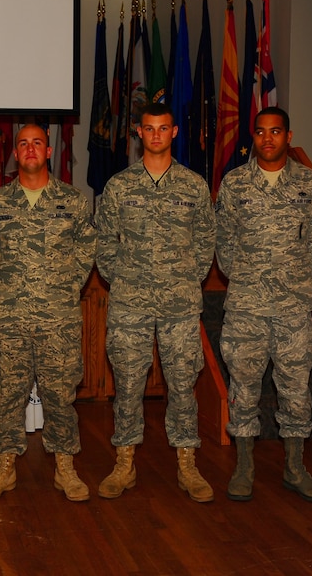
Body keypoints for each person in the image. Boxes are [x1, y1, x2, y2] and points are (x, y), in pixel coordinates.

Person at [94, 103, 216, 502]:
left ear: (174, 132)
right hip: (129, 303)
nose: (156, 135)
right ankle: (124, 462)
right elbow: (104, 243)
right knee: (128, 384)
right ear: (138, 133)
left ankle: (187, 463)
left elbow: (205, 242)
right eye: (149, 129)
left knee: (183, 384)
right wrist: (124, 278)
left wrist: (183, 278)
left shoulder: (193, 185)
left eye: (164, 128)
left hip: (180, 304)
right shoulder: (119, 186)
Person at [0, 124, 96, 502]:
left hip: (57, 318)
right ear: (14, 154)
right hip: (9, 316)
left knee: (60, 394)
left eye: (37, 143)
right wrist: (14, 290)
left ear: (47, 152)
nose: (29, 149)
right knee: (7, 392)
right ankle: (5, 466)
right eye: (22, 144)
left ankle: (65, 466)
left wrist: (59, 289)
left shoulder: (73, 202)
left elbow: (85, 253)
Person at [215, 106, 312, 503]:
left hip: (294, 309)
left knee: (296, 390)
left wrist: (294, 281)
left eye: (275, 131)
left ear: (288, 136)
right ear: (254, 137)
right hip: (246, 306)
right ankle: (244, 467)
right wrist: (248, 278)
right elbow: (224, 244)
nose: (268, 139)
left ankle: (295, 467)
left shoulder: (309, 183)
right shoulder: (235, 183)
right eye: (261, 132)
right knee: (243, 389)